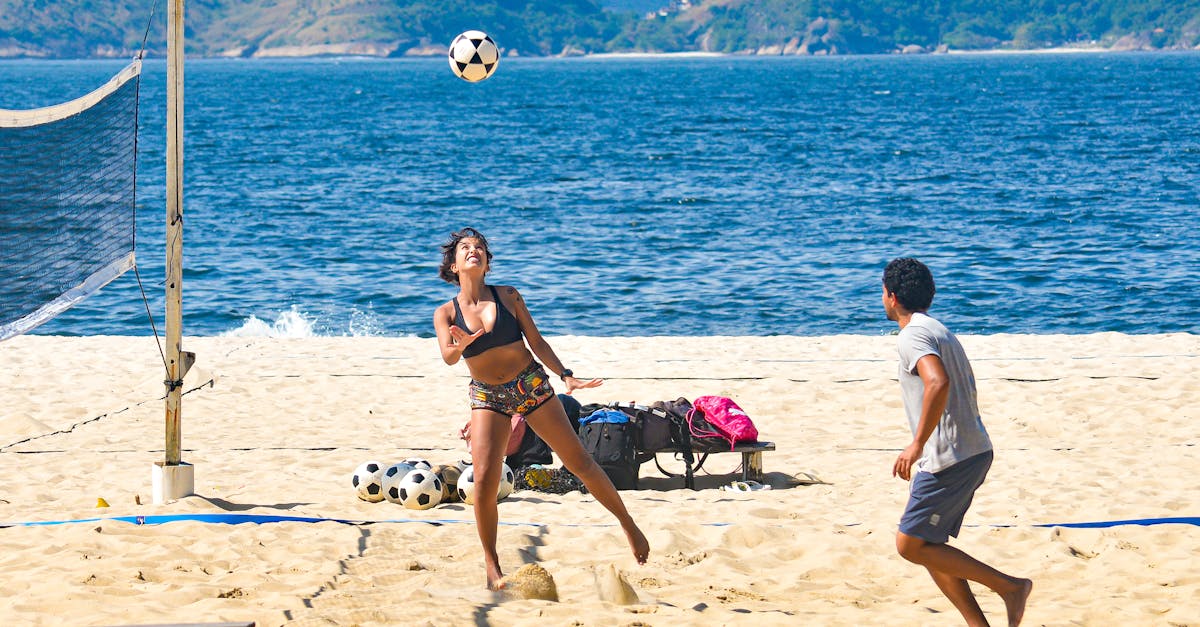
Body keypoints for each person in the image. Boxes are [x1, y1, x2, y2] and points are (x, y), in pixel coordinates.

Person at [433, 227, 649, 589]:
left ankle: (629, 525)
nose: (474, 251)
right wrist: (463, 343)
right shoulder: (445, 313)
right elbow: (448, 357)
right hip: (488, 395)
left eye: (480, 248)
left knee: (579, 461)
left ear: (486, 263)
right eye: (465, 248)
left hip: (529, 384)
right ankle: (492, 566)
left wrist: (566, 375)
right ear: (454, 266)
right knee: (485, 479)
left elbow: (535, 340)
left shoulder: (508, 296)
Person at [881, 258, 1032, 627]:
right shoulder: (936, 328)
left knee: (910, 544)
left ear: (892, 296)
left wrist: (916, 443)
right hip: (971, 449)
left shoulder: (912, 335)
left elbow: (938, 382)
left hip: (951, 457)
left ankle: (1011, 588)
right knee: (928, 548)